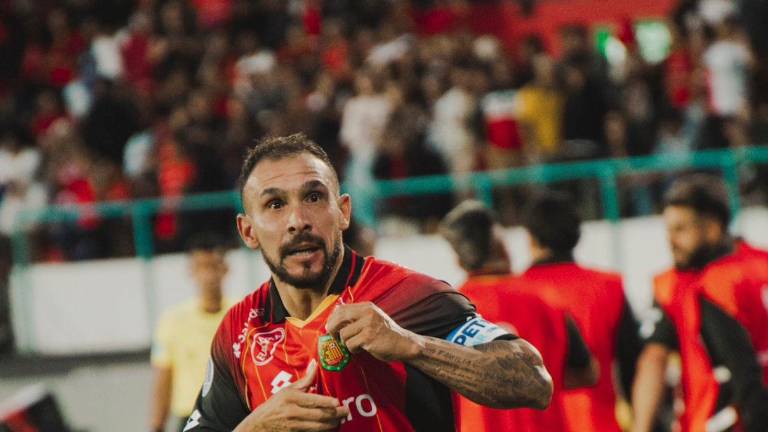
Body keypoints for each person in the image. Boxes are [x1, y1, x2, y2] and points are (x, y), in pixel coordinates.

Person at [183, 133, 553, 432]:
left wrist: (413, 346)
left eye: (313, 197)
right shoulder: (239, 332)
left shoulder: (409, 296)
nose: (297, 219)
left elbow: (532, 381)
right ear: (248, 231)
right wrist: (256, 429)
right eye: (275, 205)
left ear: (343, 211)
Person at [440, 200, 598, 432]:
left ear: (458, 259)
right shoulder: (546, 298)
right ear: (503, 246)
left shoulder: (444, 311)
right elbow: (588, 373)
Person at [631, 175, 768, 432]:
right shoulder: (761, 264)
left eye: (681, 229)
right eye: (668, 230)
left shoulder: (701, 286)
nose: (670, 241)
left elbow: (653, 360)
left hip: (727, 419)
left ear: (713, 227)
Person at [518, 190, 642, 432]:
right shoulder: (609, 287)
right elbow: (632, 365)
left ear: (531, 239)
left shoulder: (516, 293)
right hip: (601, 422)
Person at [150, 234, 233, 432]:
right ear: (191, 271)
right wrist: (156, 425)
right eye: (202, 267)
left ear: (225, 269)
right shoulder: (173, 321)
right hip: (191, 418)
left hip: (233, 416)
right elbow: (163, 378)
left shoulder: (242, 314)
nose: (209, 276)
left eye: (214, 266)